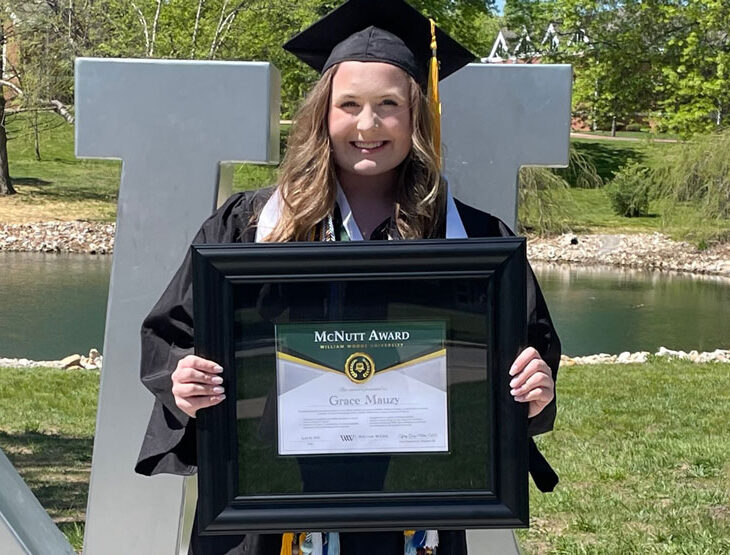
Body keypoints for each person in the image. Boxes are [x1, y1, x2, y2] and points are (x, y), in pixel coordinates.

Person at [135, 0, 559, 553]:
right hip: (268, 497)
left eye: (389, 105)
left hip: (411, 498)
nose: (367, 124)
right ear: (322, 115)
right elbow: (172, 335)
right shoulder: (251, 225)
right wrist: (183, 380)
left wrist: (533, 388)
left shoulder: (471, 240)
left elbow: (529, 354)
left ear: (417, 116)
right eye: (349, 104)